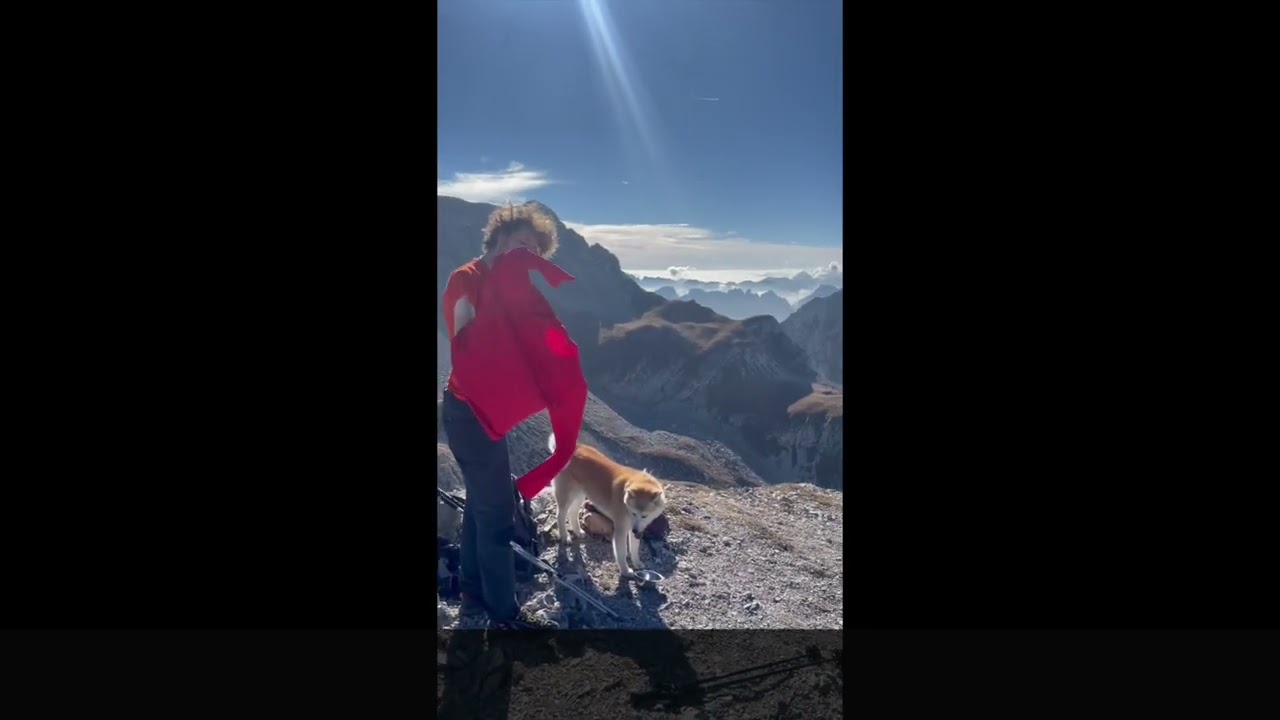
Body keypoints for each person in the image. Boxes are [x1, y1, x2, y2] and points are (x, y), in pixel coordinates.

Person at [440, 203, 561, 630]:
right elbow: (464, 341)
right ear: (500, 236)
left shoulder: (508, 285)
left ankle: (473, 597)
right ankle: (504, 614)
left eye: (534, 250)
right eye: (522, 243)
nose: (526, 254)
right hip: (469, 413)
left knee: (480, 503)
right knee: (497, 515)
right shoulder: (468, 278)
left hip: (486, 412)